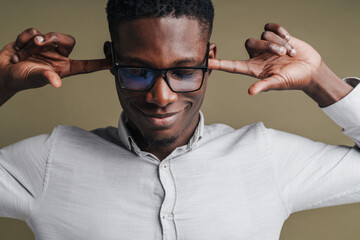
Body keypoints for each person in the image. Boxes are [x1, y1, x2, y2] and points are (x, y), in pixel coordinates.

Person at [0, 0, 359, 239]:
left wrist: (319, 79)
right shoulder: (48, 162)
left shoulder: (265, 158)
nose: (161, 97)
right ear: (111, 60)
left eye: (185, 71)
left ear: (210, 58)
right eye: (137, 72)